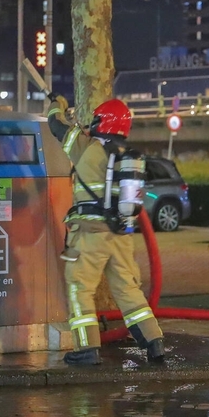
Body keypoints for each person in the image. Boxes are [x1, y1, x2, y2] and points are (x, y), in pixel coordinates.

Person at [46, 93, 166, 366]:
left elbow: (55, 126)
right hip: (121, 235)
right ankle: (154, 342)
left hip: (89, 234)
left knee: (79, 288)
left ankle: (86, 349)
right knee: (128, 289)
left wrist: (58, 104)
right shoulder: (127, 157)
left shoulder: (86, 147)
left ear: (103, 122)